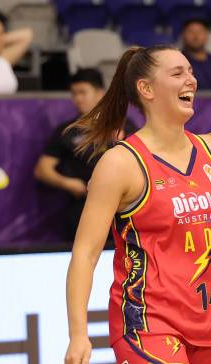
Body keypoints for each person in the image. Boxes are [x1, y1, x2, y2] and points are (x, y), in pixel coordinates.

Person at [63, 45, 211, 364]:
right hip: (148, 322)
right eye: (177, 73)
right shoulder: (120, 163)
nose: (191, 79)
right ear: (147, 89)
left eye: (190, 71)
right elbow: (85, 253)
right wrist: (78, 334)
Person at [34, 68, 137, 242]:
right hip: (83, 205)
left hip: (122, 207)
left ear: (100, 93)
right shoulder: (68, 130)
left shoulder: (123, 125)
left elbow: (142, 160)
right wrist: (68, 183)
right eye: (74, 93)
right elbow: (42, 169)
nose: (78, 98)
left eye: (83, 92)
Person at [0, 8, 32, 94]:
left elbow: (27, 35)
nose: (3, 38)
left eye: (4, 33)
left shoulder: (2, 60)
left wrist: (0, 39)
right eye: (0, 34)